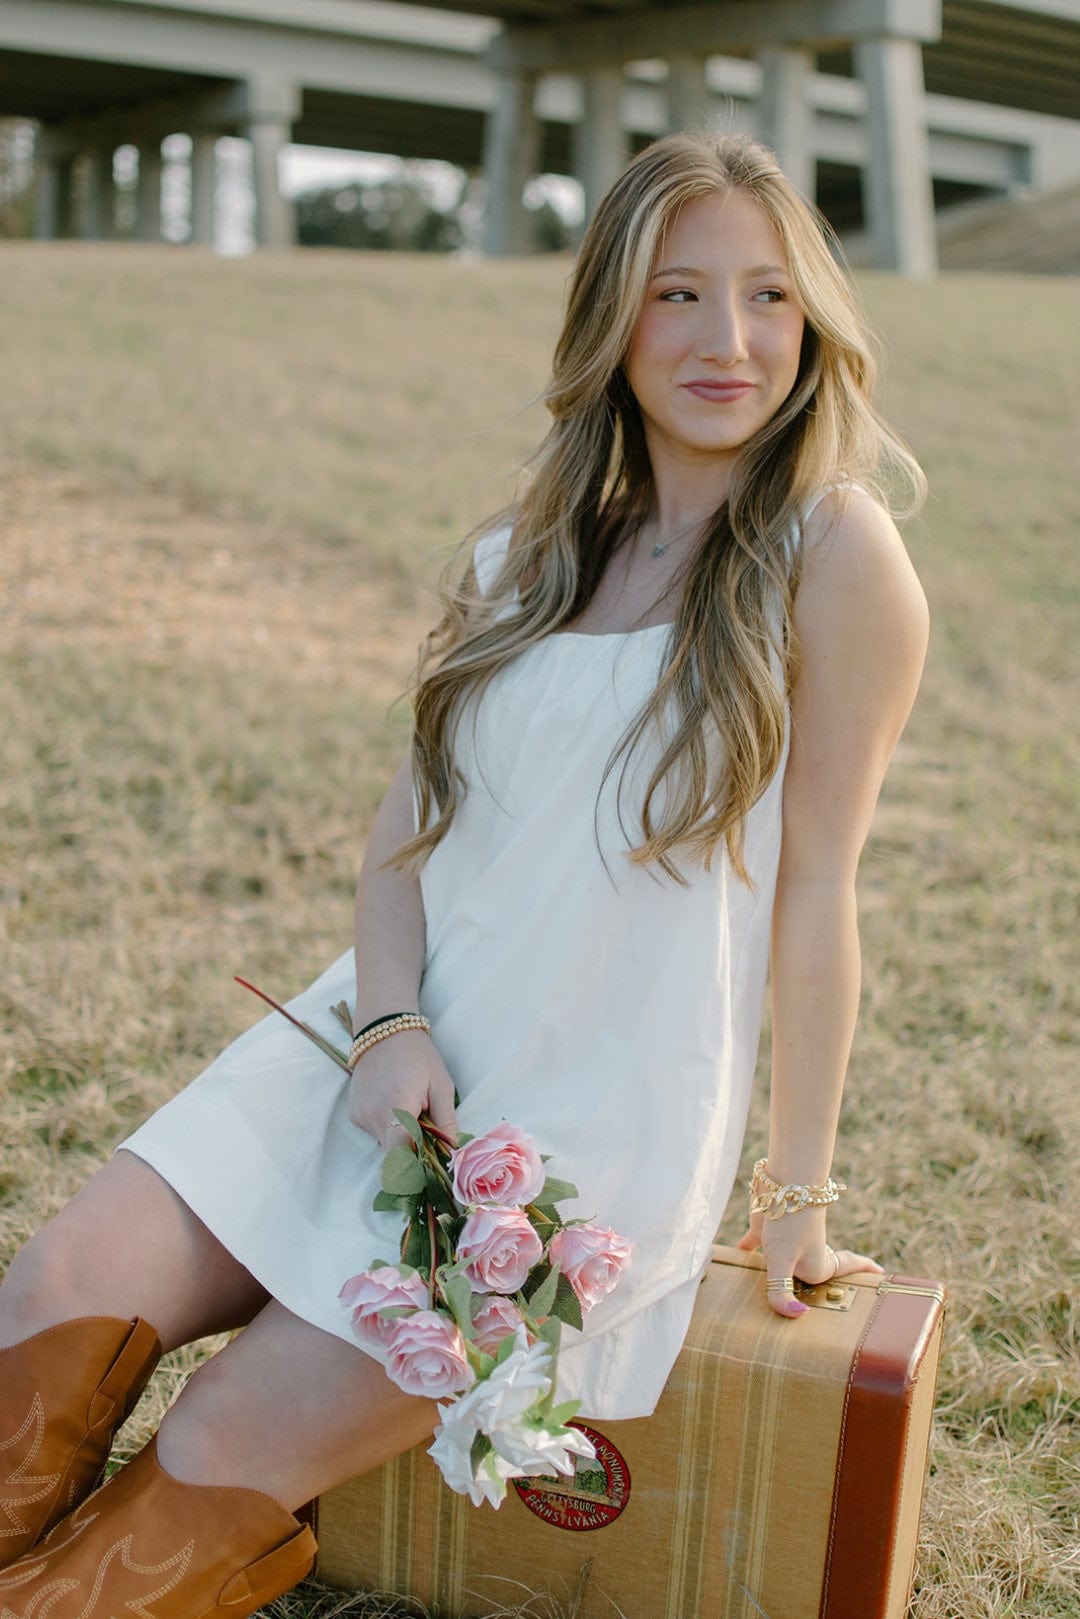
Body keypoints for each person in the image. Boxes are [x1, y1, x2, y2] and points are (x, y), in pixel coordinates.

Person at [0, 130, 928, 1617]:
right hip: (376, 1054)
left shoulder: (836, 552)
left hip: (566, 1142)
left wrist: (798, 1193)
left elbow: (821, 893)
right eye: (676, 294)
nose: (727, 339)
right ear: (612, 317)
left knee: (219, 1441)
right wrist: (387, 1024)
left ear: (814, 321)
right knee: (49, 1299)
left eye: (767, 296)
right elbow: (400, 843)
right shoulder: (523, 555)